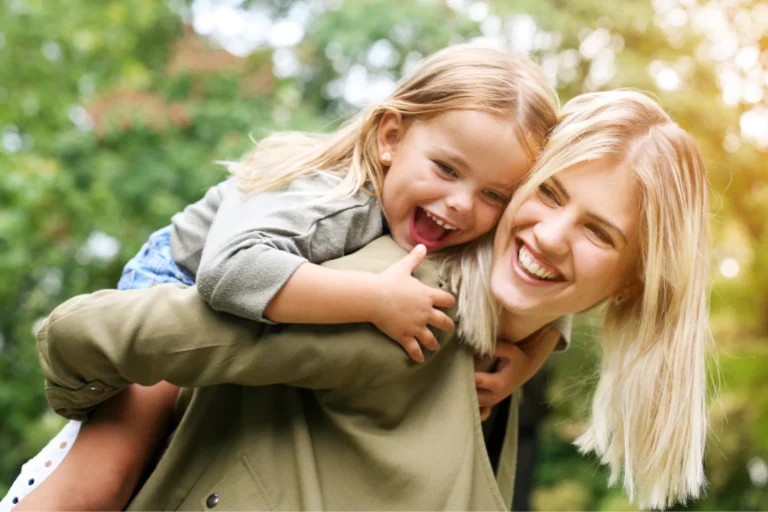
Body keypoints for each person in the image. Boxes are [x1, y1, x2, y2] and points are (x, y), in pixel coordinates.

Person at [26, 90, 711, 510]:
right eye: (552, 194)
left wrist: (536, 347)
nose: (552, 235)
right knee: (91, 487)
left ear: (630, 284)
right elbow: (93, 330)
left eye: (598, 232)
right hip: (195, 267)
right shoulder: (398, 300)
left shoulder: (500, 355)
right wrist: (98, 399)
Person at [3, 44, 566, 510]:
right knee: (110, 470)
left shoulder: (456, 227)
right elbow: (228, 273)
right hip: (182, 274)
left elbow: (546, 287)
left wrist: (531, 357)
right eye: (446, 169)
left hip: (262, 290)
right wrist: (373, 299)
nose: (462, 205)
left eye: (494, 195)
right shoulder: (330, 202)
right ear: (391, 138)